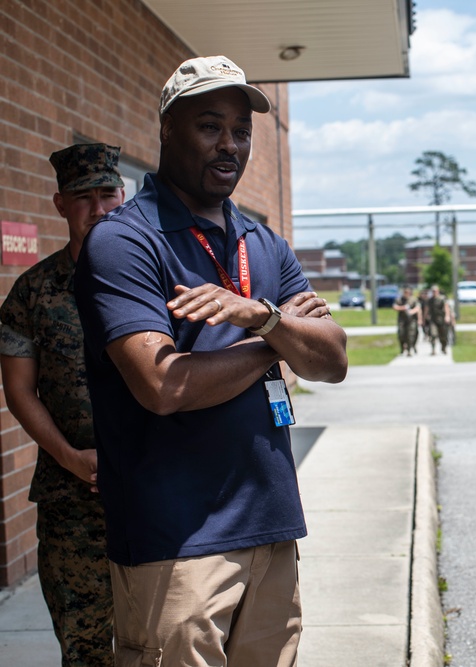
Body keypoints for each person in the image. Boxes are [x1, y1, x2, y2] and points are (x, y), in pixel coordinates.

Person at [74, 55, 348, 666]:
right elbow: (164, 386)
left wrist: (264, 317)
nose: (230, 145)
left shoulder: (262, 241)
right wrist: (274, 338)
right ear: (167, 128)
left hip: (271, 528)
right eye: (209, 126)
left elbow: (332, 361)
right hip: (177, 540)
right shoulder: (125, 241)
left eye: (242, 131)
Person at [0, 143, 125, 666]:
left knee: (170, 640)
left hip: (158, 490)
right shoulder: (33, 292)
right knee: (85, 648)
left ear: (124, 197)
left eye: (107, 195)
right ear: (58, 204)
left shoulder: (159, 279)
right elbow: (19, 391)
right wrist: (72, 458)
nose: (97, 209)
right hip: (72, 500)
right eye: (82, 197)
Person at [425, 284, 453, 355]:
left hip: (442, 320)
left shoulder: (442, 298)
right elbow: (427, 309)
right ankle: (433, 350)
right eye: (433, 291)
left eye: (435, 291)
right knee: (433, 334)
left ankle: (443, 347)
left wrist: (447, 316)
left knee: (443, 335)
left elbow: (446, 307)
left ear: (438, 291)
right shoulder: (430, 300)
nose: (434, 292)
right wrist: (424, 317)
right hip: (433, 320)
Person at [393, 286, 421, 355]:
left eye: (408, 292)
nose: (407, 293)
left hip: (411, 320)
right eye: (405, 292)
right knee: (401, 334)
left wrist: (412, 312)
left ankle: (409, 350)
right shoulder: (400, 299)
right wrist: (403, 308)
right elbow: (394, 307)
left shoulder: (413, 299)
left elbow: (418, 308)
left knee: (410, 335)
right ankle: (402, 347)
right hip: (402, 320)